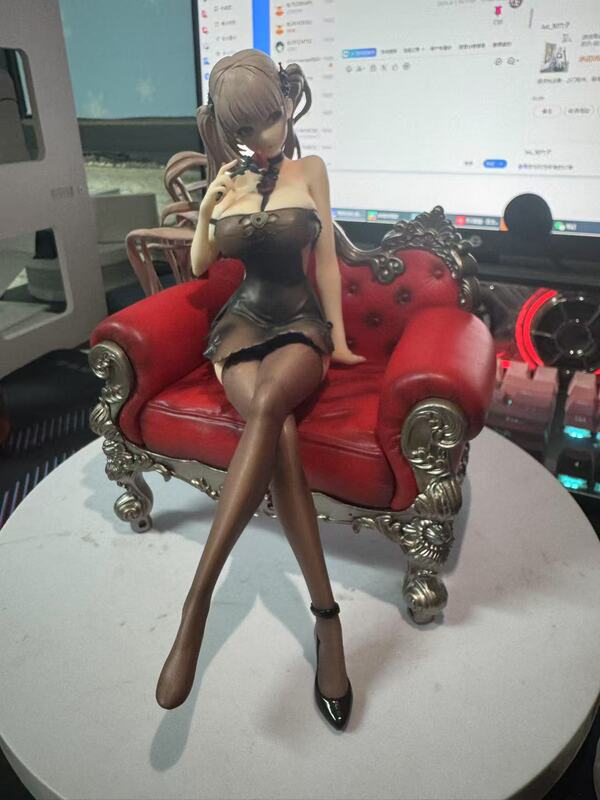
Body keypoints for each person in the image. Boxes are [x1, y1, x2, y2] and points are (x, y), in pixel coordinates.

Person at [155, 48, 366, 731]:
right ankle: (327, 621)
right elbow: (199, 266)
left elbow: (327, 263)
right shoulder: (229, 180)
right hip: (240, 323)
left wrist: (336, 340)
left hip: (299, 319)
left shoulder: (312, 170)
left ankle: (196, 606)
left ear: (287, 103)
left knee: (273, 407)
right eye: (247, 129)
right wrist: (209, 204)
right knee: (282, 436)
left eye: (271, 118)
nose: (263, 136)